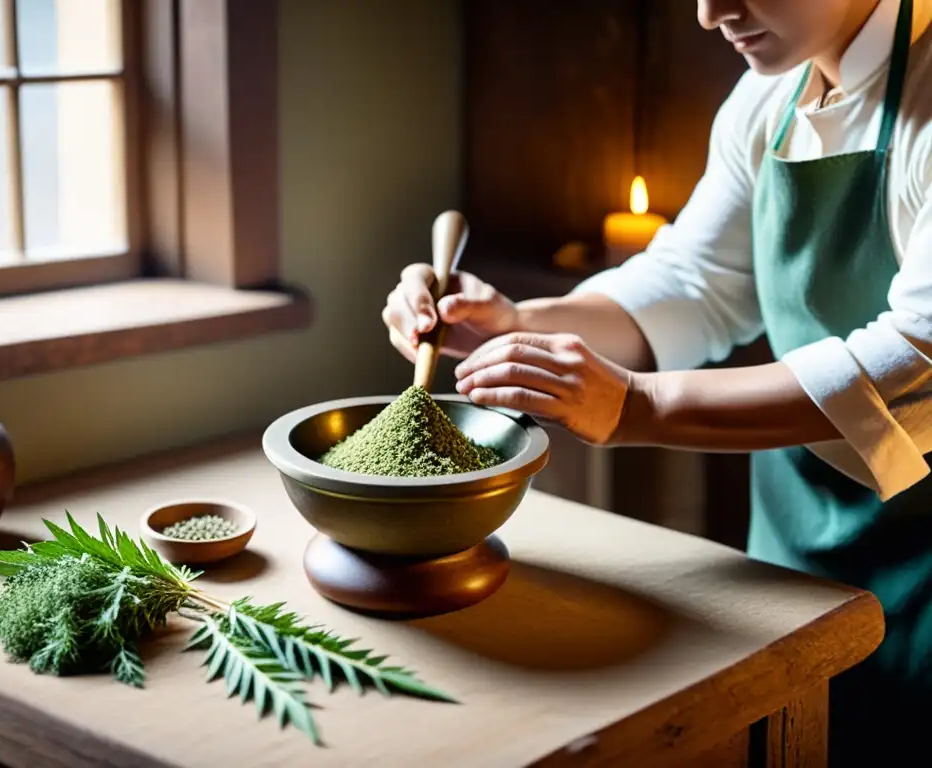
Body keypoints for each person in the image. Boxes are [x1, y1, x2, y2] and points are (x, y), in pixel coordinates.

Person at [383, 0, 932, 762]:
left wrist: (636, 405)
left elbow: (917, 359)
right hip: (795, 542)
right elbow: (696, 279)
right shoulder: (769, 96)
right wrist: (519, 325)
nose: (710, 14)